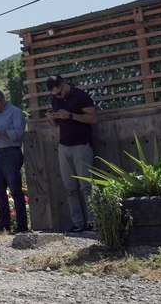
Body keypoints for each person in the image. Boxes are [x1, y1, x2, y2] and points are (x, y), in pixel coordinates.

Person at [45, 74, 98, 233]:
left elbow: (94, 118)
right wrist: (52, 117)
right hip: (64, 146)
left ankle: (94, 222)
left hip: (81, 145)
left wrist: (71, 115)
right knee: (70, 188)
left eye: (59, 92)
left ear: (64, 84)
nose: (58, 96)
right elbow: (55, 124)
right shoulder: (56, 99)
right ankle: (78, 224)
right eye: (54, 94)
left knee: (86, 186)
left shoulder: (81, 95)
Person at [0, 88, 29, 234]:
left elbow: (19, 133)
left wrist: (0, 133)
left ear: (2, 100)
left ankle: (22, 225)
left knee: (15, 190)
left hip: (11, 153)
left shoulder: (15, 112)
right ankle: (4, 224)